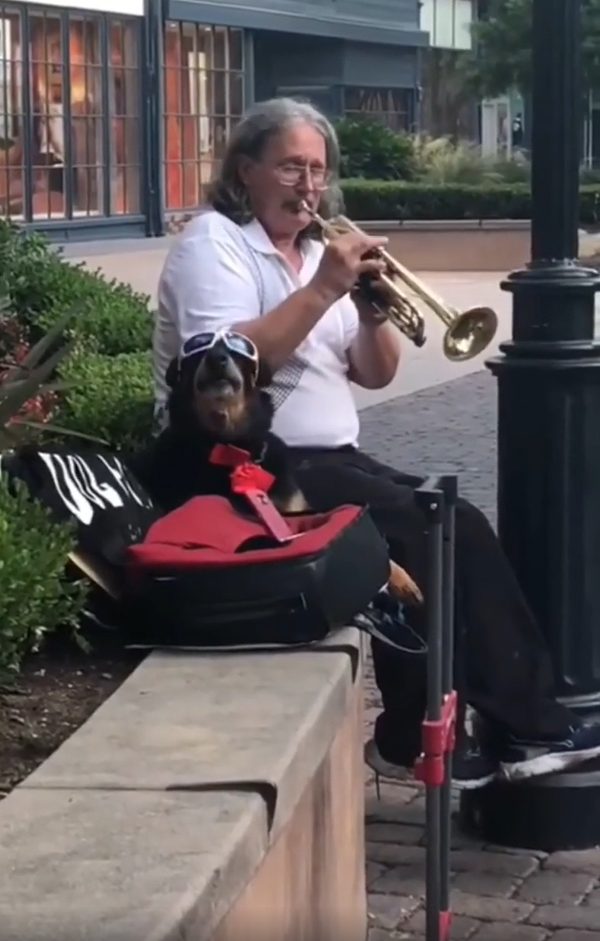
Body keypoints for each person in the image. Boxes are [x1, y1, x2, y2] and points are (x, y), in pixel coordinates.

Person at [153, 97, 600, 790]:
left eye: (317, 169)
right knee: (435, 528)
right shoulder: (215, 244)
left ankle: (427, 734)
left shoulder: (308, 252)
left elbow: (375, 371)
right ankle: (524, 729)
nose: (308, 184)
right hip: (243, 468)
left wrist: (367, 310)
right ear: (246, 171)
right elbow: (226, 366)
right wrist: (328, 286)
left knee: (448, 522)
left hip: (324, 459)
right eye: (290, 168)